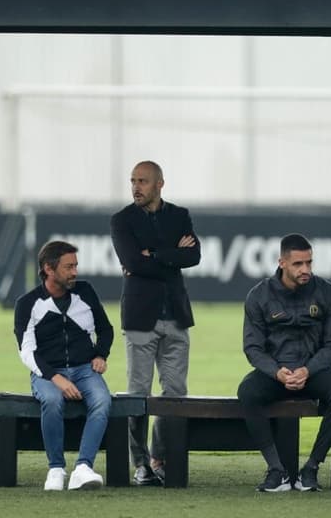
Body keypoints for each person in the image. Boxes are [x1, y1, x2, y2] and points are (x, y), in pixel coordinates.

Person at [238, 233, 331, 492]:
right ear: (282, 263)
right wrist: (277, 372)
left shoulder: (329, 293)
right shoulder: (258, 296)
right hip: (276, 373)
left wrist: (308, 370)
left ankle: (311, 468)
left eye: (309, 263)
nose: (306, 270)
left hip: (313, 372)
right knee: (247, 391)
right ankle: (276, 470)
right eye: (298, 264)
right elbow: (253, 348)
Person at [110, 160, 201, 486]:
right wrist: (170, 254)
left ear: (160, 184)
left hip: (175, 315)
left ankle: (160, 457)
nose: (136, 187)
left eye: (143, 181)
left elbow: (194, 256)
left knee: (175, 394)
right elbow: (132, 260)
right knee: (138, 394)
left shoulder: (179, 215)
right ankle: (140, 465)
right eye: (133, 180)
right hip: (140, 318)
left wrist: (154, 255)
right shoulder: (122, 220)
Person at [13, 240, 114, 491]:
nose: (75, 272)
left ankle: (83, 467)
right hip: (47, 373)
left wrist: (101, 355)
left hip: (84, 369)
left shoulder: (86, 292)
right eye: (69, 267)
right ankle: (56, 469)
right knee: (53, 400)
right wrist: (54, 378)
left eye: (76, 266)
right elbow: (26, 352)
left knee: (102, 400)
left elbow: (106, 329)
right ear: (49, 269)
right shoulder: (27, 304)